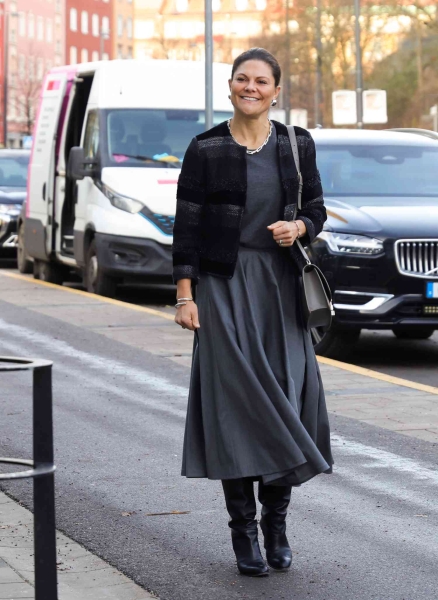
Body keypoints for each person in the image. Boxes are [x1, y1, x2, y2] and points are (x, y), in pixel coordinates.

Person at [173, 48, 333, 577]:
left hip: (280, 289)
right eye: (242, 79)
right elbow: (187, 228)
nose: (251, 87)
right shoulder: (205, 148)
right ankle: (243, 530)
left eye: (261, 81)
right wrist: (184, 294)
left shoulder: (296, 144)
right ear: (230, 87)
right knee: (234, 406)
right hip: (222, 288)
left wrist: (301, 229)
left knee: (285, 398)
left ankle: (276, 524)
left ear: (275, 90)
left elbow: (316, 209)